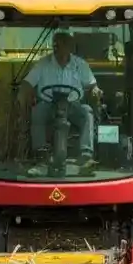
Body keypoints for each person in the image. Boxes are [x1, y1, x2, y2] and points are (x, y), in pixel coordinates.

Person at [22, 31, 101, 169]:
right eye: (57, 45)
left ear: (71, 47)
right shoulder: (43, 64)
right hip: (48, 104)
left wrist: (96, 91)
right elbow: (27, 84)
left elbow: (92, 86)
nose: (59, 48)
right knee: (37, 112)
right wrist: (24, 97)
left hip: (72, 105)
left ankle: (85, 154)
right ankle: (40, 154)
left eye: (65, 44)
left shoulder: (80, 65)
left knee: (87, 112)